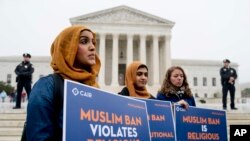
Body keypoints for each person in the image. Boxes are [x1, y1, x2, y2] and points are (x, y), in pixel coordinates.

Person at [25, 25, 101, 140]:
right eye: (84, 41)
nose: (92, 47)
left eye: (93, 42)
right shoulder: (47, 86)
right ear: (67, 48)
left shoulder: (94, 88)